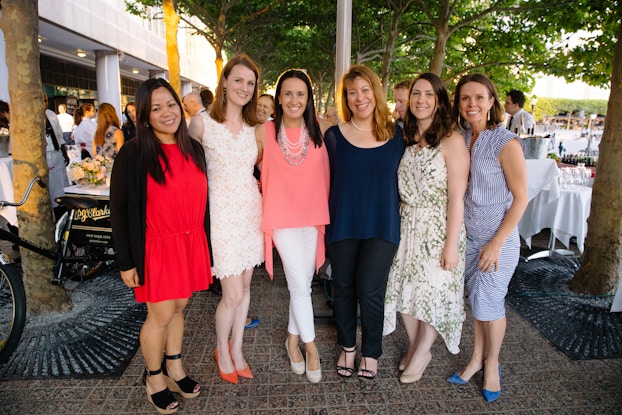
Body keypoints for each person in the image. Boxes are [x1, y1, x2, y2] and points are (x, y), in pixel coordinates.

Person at [110, 78, 212, 414]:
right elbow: (120, 210)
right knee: (161, 313)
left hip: (189, 241)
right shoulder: (133, 154)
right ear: (144, 114)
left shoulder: (193, 148)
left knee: (180, 307)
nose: (166, 113)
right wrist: (126, 261)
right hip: (157, 246)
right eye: (155, 108)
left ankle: (174, 367)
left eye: (170, 104)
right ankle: (153, 378)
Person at [383, 73, 470, 384]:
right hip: (407, 224)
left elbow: (457, 198)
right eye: (416, 94)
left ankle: (422, 352)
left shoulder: (452, 140)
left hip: (439, 226)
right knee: (405, 292)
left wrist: (450, 244)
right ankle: (415, 345)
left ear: (439, 101)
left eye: (429, 95)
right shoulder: (406, 138)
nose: (421, 100)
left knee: (432, 293)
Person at [447, 73, 528, 403]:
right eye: (465, 98)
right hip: (470, 238)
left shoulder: (505, 141)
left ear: (492, 101)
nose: (472, 104)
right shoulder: (462, 135)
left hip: (499, 240)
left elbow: (521, 198)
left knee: (491, 304)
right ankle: (476, 358)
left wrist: (496, 242)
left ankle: (492, 363)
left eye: (479, 97)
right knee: (477, 304)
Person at [325, 64, 405, 380]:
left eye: (365, 90)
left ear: (376, 92)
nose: (360, 98)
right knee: (342, 287)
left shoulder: (397, 135)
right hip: (342, 223)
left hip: (382, 226)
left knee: (370, 289)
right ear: (346, 98)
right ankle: (347, 347)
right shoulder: (333, 136)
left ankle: (371, 352)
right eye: (352, 92)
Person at [188, 53, 264, 385]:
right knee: (231, 294)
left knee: (246, 289)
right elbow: (187, 176)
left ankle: (238, 348)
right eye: (238, 80)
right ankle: (221, 348)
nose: (244, 88)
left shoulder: (254, 128)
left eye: (250, 83)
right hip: (219, 218)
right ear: (224, 82)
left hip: (250, 212)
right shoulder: (201, 123)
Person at [256, 69, 331, 384]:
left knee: (302, 282)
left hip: (312, 218)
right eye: (287, 93)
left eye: (301, 94)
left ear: (309, 99)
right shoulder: (264, 131)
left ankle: (291, 339)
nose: (294, 100)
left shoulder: (322, 129)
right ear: (278, 98)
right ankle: (311, 348)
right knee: (299, 285)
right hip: (281, 219)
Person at [43, 93, 70, 220]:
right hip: (47, 154)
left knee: (63, 185)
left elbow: (59, 134)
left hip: (57, 151)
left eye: (46, 100)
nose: (45, 103)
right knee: (54, 189)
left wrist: (64, 151)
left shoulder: (51, 114)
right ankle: (57, 215)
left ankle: (64, 212)